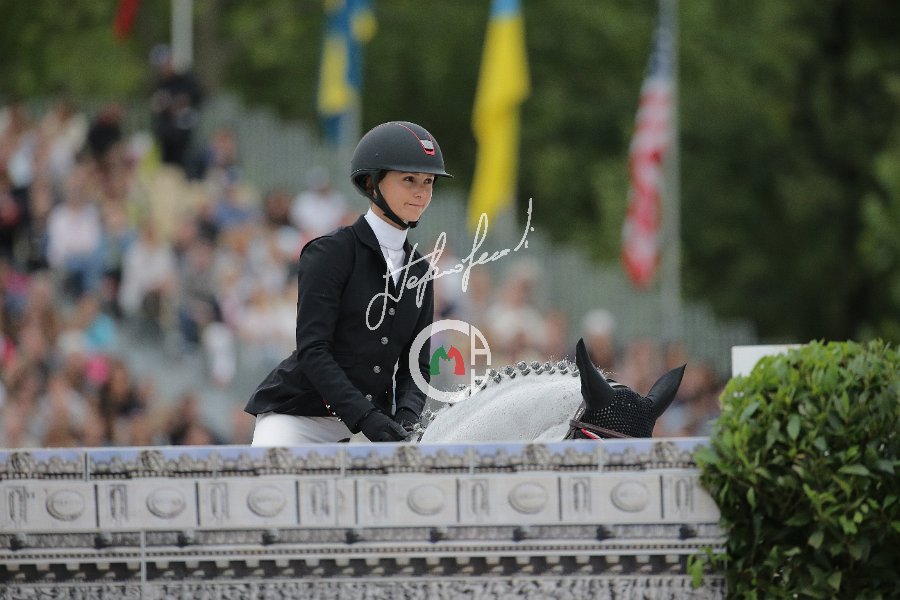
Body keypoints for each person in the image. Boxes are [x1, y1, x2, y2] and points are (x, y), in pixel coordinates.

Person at [245, 121, 451, 444]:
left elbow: (417, 364)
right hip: (300, 417)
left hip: (372, 423)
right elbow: (313, 350)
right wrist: (366, 416)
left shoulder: (421, 271)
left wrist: (406, 420)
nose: (421, 192)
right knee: (269, 469)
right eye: (409, 179)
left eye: (428, 182)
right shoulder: (330, 253)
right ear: (372, 183)